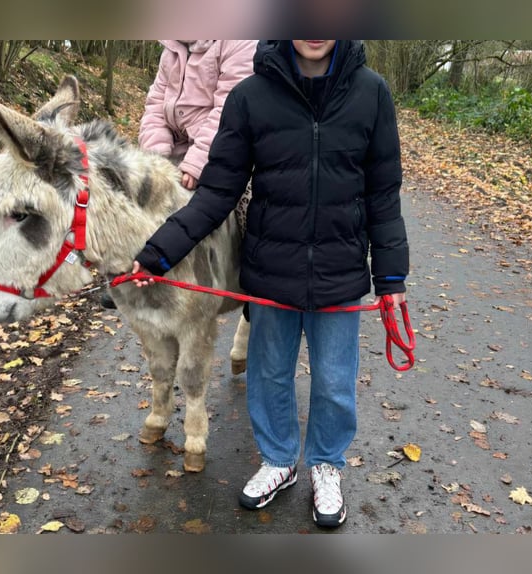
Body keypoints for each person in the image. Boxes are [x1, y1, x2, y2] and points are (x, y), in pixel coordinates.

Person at [130, 40, 409, 528]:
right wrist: (157, 252)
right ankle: (279, 459)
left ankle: (326, 464)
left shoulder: (372, 93)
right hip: (271, 273)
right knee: (269, 376)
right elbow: (217, 191)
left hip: (339, 276)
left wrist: (390, 277)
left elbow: (382, 193)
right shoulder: (251, 96)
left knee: (335, 382)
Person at [99, 40, 257, 310]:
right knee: (132, 193)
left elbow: (229, 111)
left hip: (228, 149)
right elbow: (155, 106)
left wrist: (196, 162)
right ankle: (129, 271)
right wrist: (157, 161)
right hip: (176, 152)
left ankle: (253, 278)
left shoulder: (240, 42)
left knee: (249, 206)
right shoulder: (171, 47)